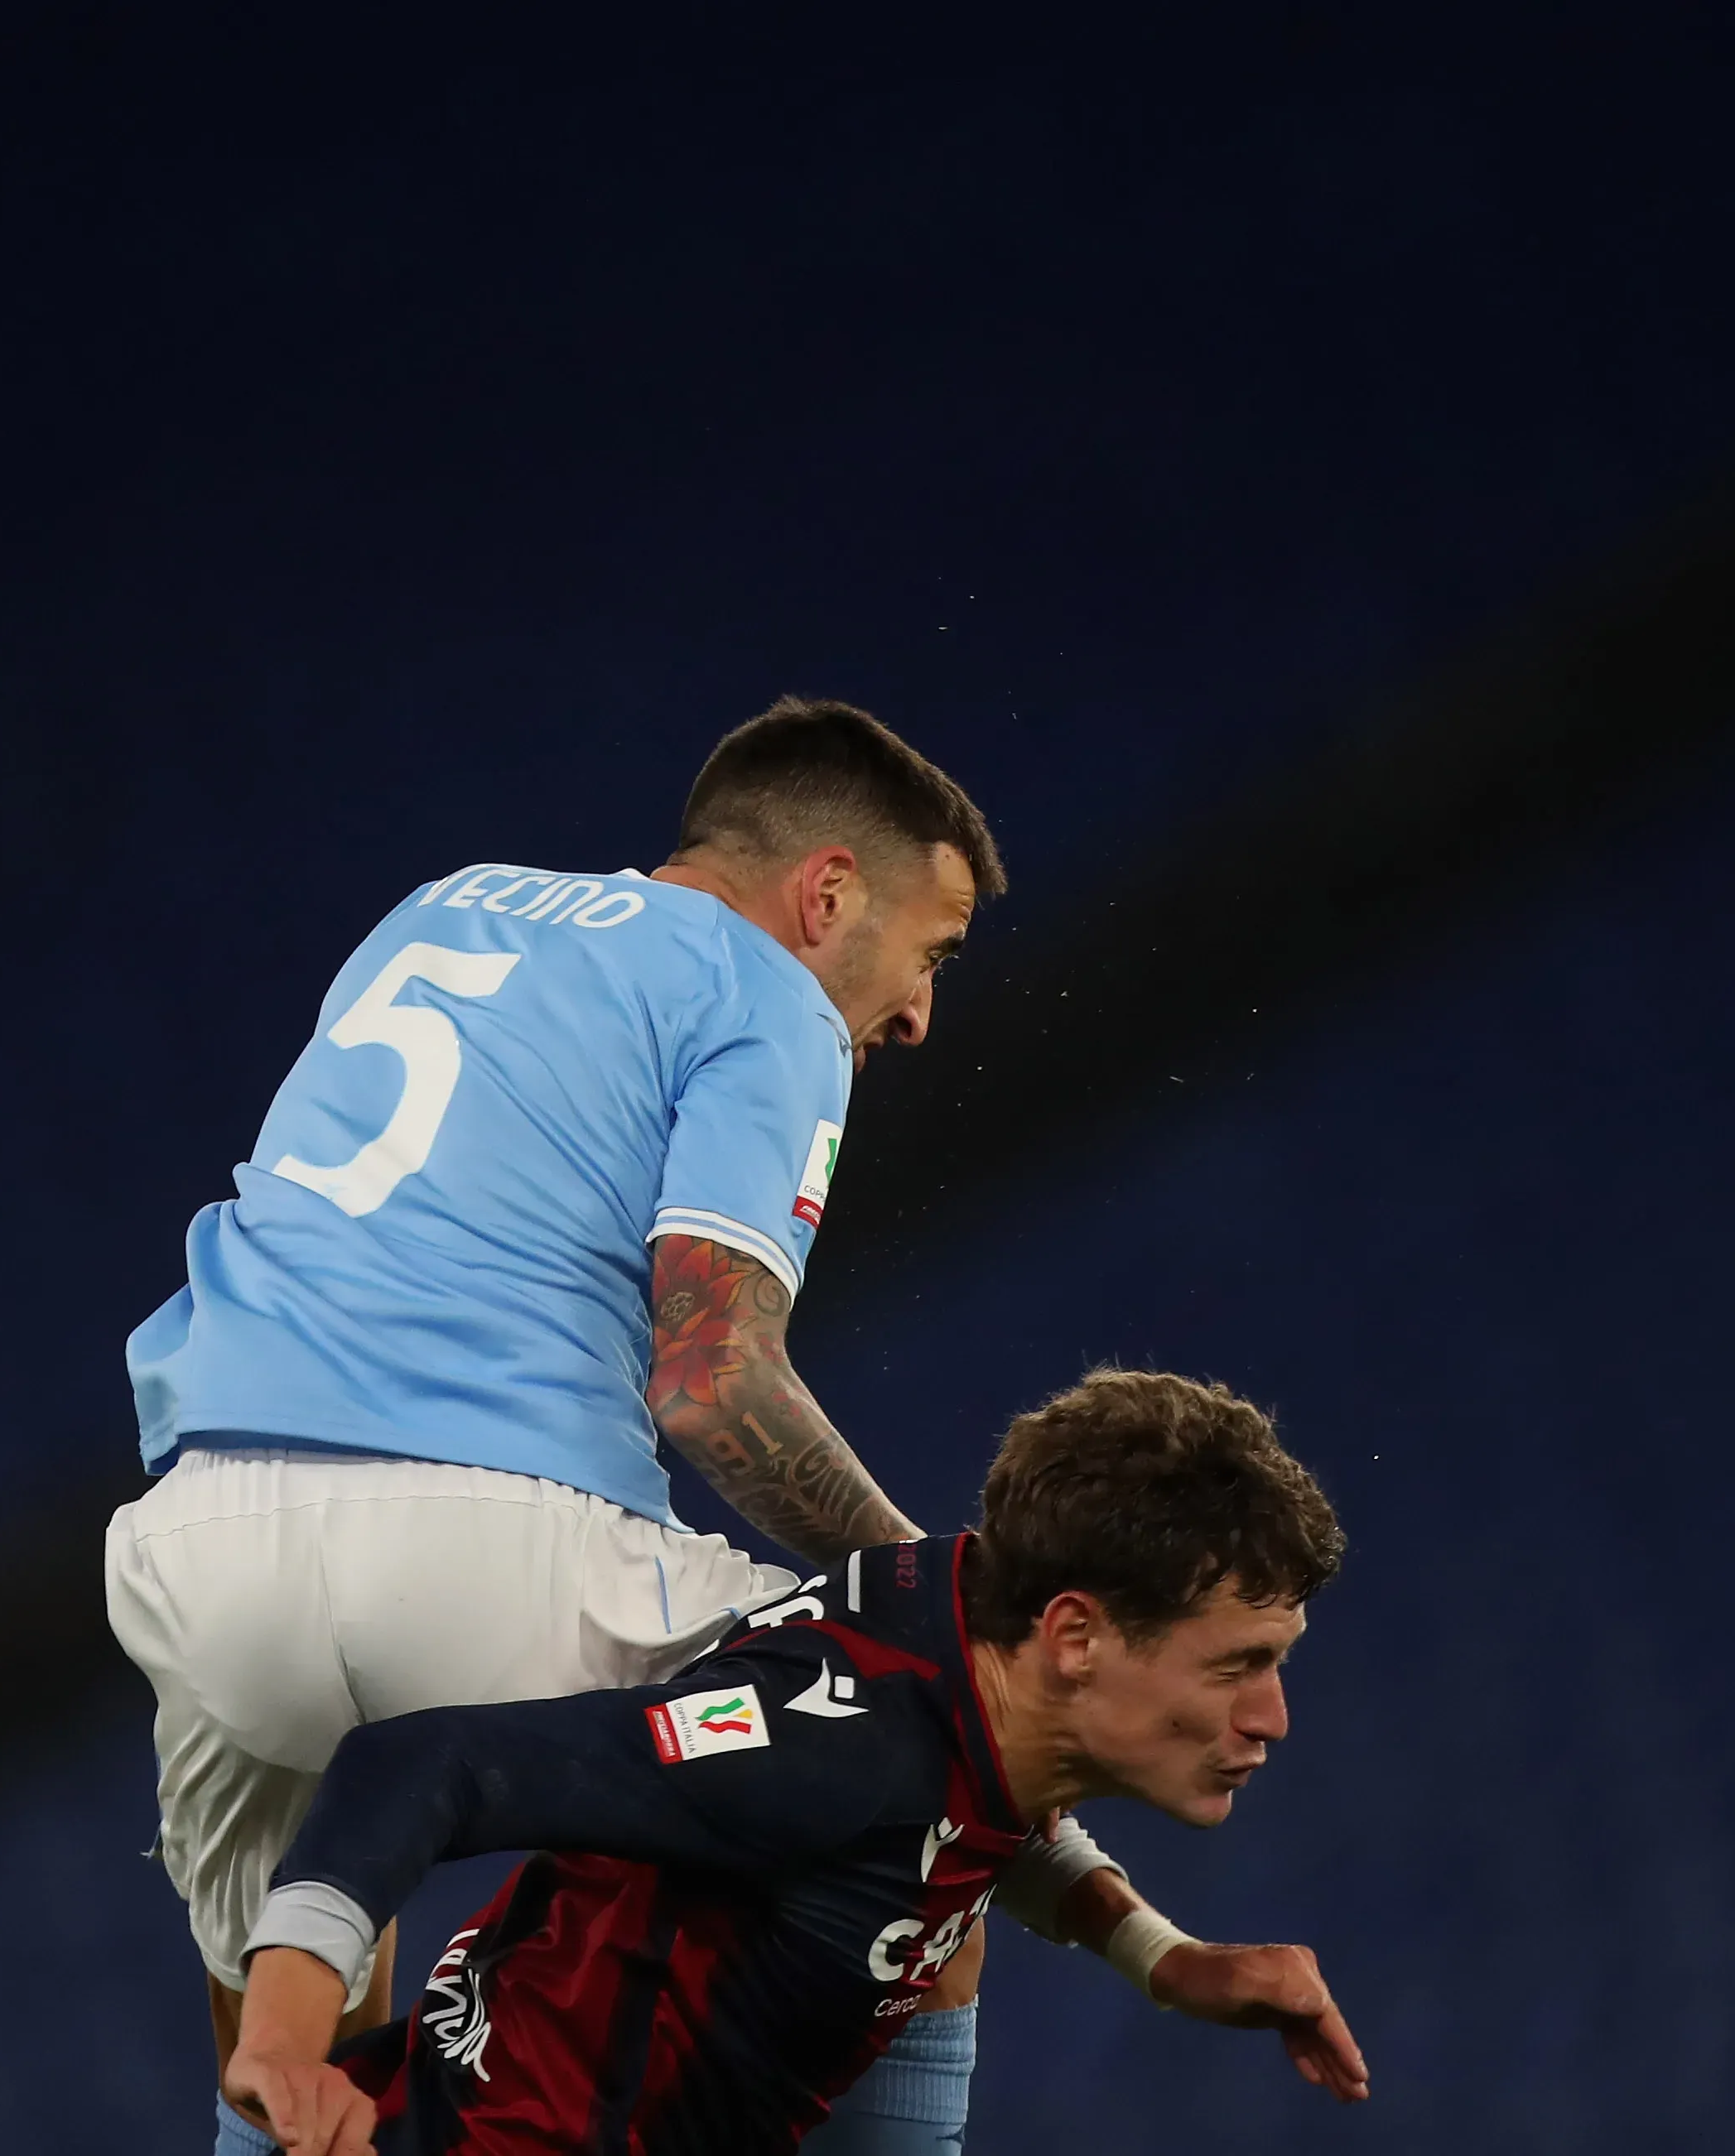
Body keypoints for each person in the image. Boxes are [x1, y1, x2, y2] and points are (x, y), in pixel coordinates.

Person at [108, 698, 1217, 2156]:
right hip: (488, 1539)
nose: (919, 1010)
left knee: (293, 2016)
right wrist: (946, 1613)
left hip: (200, 1544)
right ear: (825, 895)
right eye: (927, 952)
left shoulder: (441, 906)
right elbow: (710, 1380)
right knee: (925, 1759)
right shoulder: (768, 991)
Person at [223, 1369, 1366, 2156]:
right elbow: (430, 1764)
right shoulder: (824, 1756)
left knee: (942, 1935)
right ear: (1074, 1636)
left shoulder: (963, 1616)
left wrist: (1160, 1958)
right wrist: (282, 2046)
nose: (1270, 1718)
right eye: (1237, 1665)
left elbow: (985, 1800)